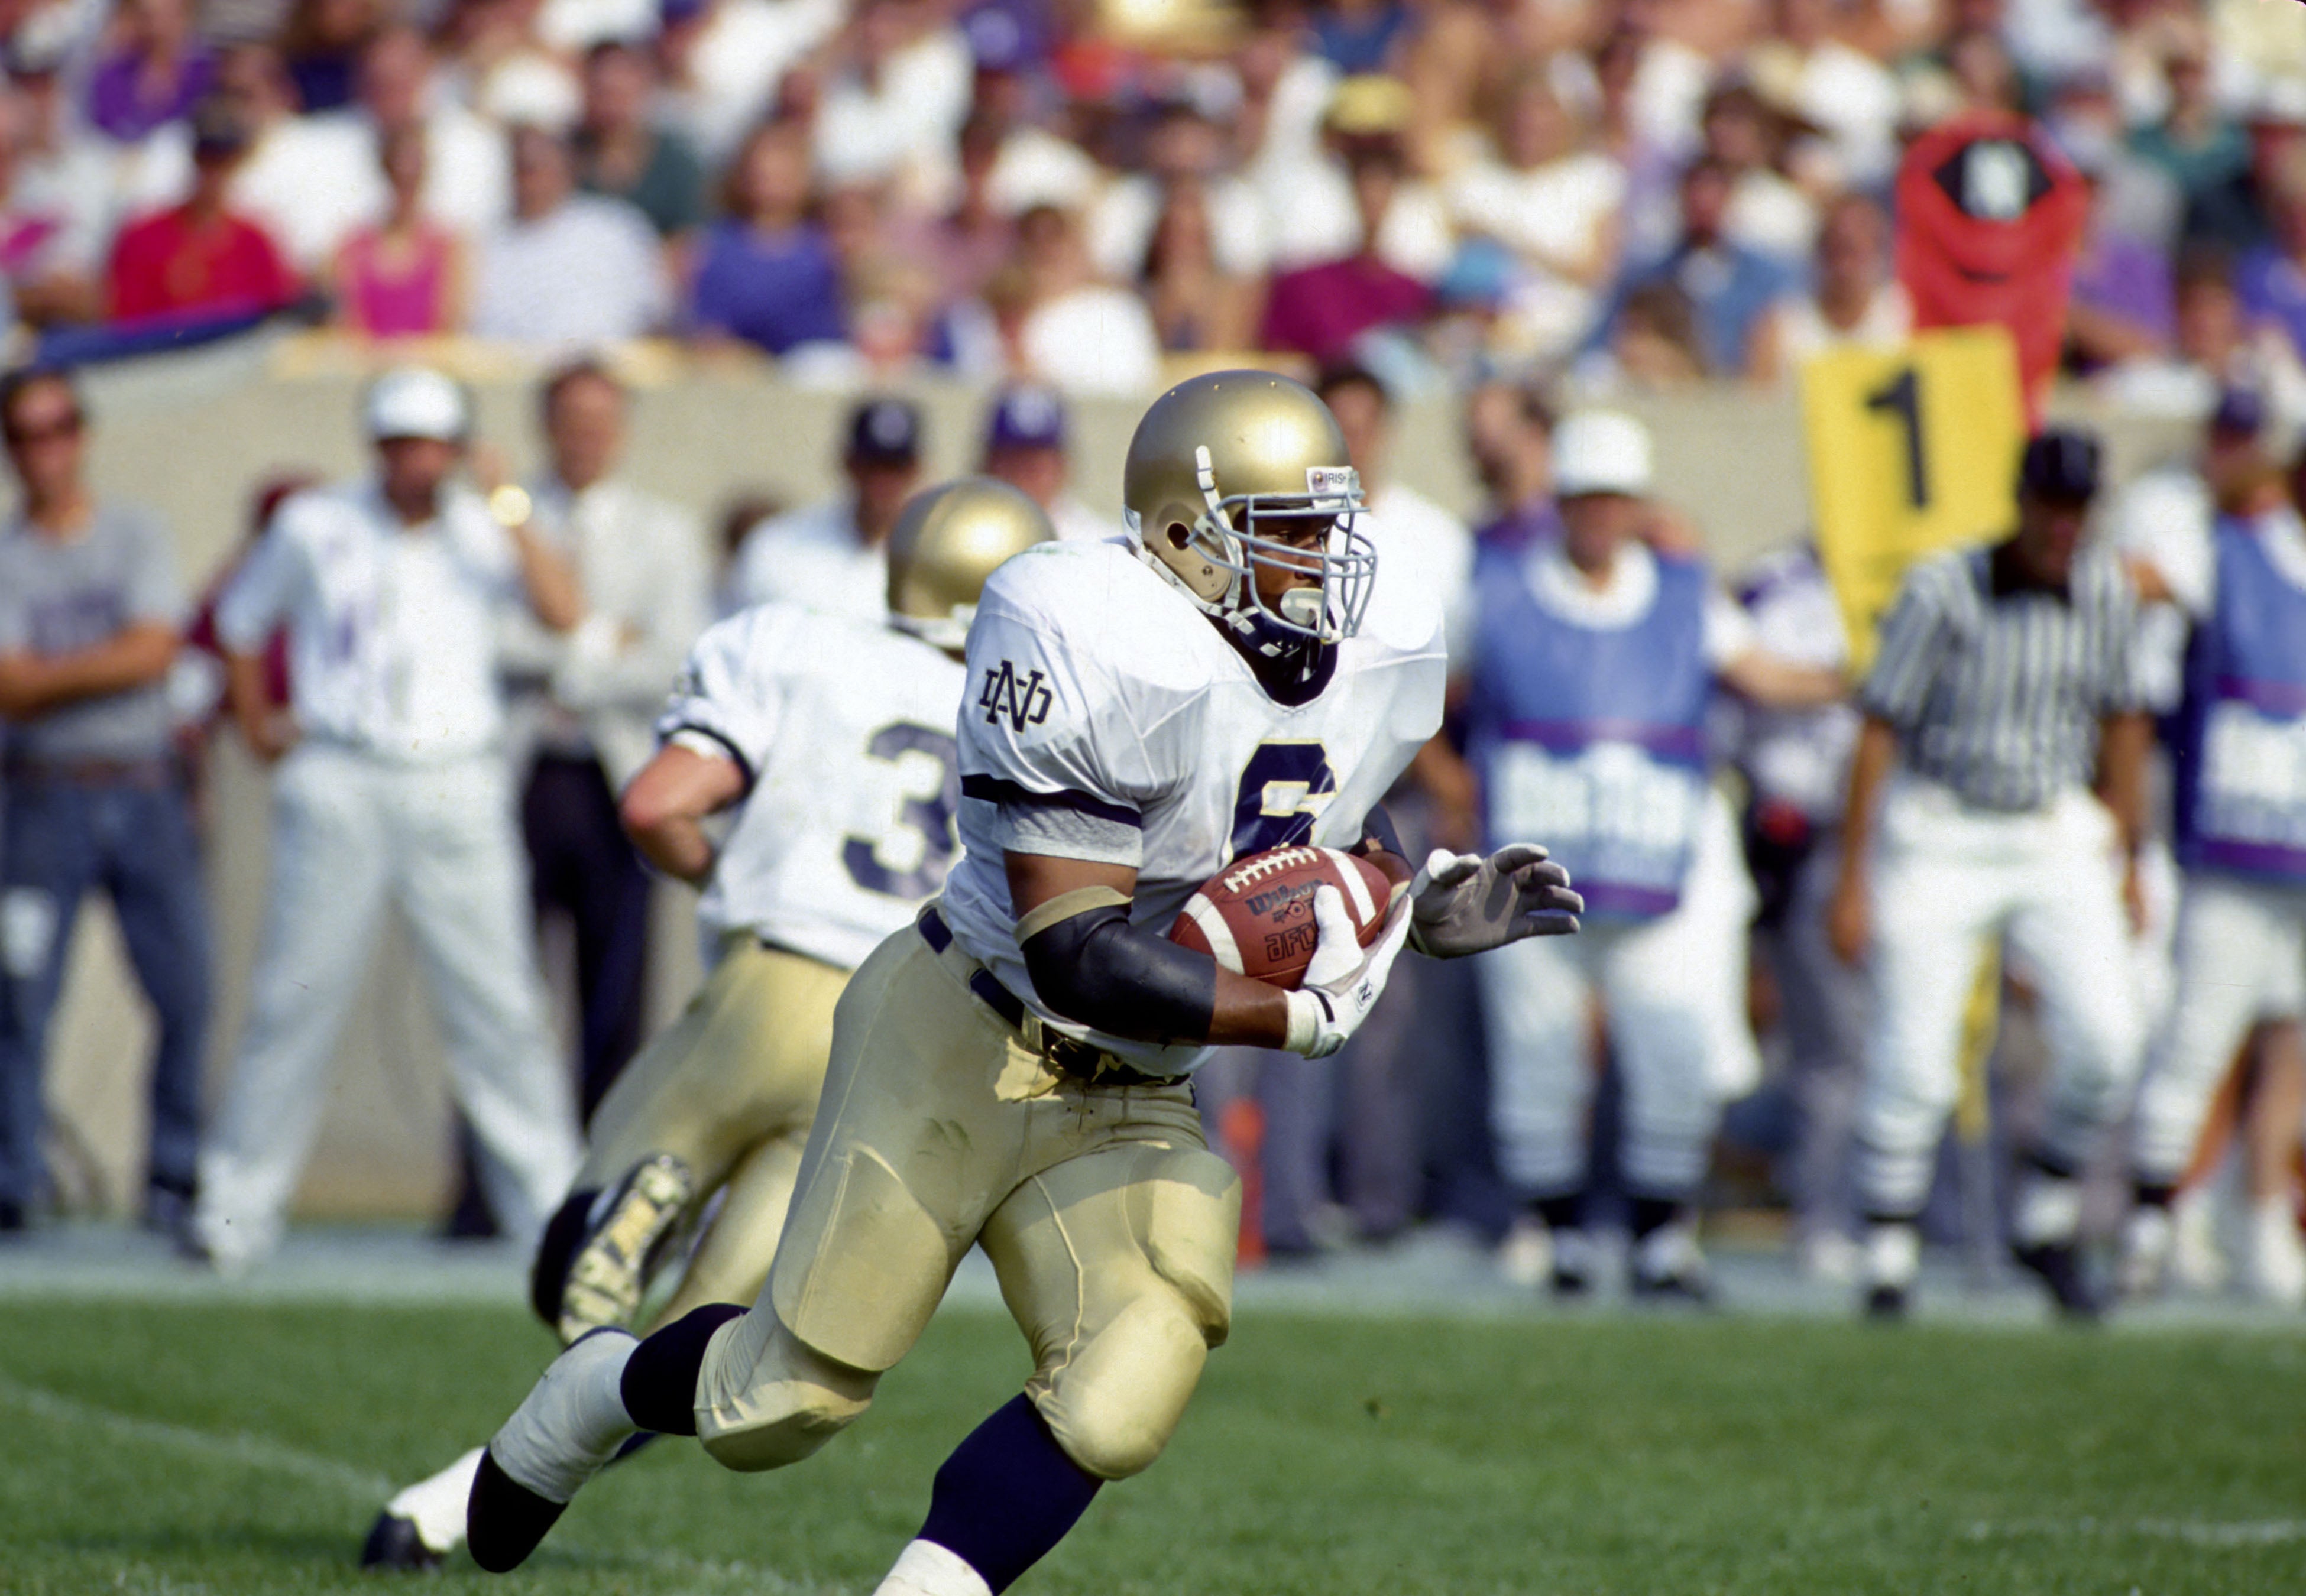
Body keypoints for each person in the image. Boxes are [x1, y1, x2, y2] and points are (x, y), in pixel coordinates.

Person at [462, 371, 1583, 1592]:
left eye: (1331, 528)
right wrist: (1295, 1016)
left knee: (1130, 1375)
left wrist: (1410, 909)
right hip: (969, 1030)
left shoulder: (1366, 643)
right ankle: (592, 1394)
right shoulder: (1085, 628)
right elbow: (1076, 949)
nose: (1327, 564)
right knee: (782, 1400)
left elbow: (1311, 843)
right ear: (1181, 540)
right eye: (1290, 535)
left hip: (1136, 1080)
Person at [360, 478, 1051, 1569]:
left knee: (576, 1268)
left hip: (769, 989)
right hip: (903, 1050)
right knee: (700, 1351)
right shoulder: (1045, 717)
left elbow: (654, 804)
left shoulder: (799, 647)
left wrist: (737, 877)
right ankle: (449, 1506)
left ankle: (462, 1482)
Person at [1436, 409, 1842, 1298]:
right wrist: (1453, 785)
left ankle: (1663, 1239)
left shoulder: (1687, 594)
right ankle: (1560, 1236)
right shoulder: (1497, 593)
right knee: (1536, 1054)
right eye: (1585, 499)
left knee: (1674, 1052)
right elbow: (1427, 695)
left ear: (1636, 505)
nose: (1599, 518)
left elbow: (1763, 675)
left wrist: (1858, 679)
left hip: (1664, 866)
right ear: (1562, 503)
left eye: (1615, 500)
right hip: (1534, 875)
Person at [189, 368, 586, 1274]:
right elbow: (241, 622)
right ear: (376, 446)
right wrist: (257, 728)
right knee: (295, 997)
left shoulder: (489, 526)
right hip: (342, 772)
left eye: (432, 444)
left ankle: (553, 1223)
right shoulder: (316, 523)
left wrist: (510, 503)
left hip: (456, 778)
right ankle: (233, 1212)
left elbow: (565, 614)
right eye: (402, 444)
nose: (416, 462)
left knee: (501, 1008)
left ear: (456, 448)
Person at [1828, 430, 2153, 1320]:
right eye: (2049, 505)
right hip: (1943, 824)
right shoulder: (1943, 585)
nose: (2061, 525)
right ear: (2020, 501)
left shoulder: (2109, 589)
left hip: (2054, 827)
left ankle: (2046, 1218)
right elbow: (1878, 724)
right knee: (1916, 1055)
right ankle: (1888, 1257)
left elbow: (2125, 721)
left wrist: (2126, 855)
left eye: (2077, 508)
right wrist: (1852, 875)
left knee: (2109, 1036)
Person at [0, 368, 208, 1236]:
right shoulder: (9, 554)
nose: (45, 450)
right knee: (20, 996)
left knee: (187, 990)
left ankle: (175, 1174)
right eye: (26, 434)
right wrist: (101, 663)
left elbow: (155, 649)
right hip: (44, 799)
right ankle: (14, 1180)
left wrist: (55, 678)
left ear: (81, 437)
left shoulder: (135, 532)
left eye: (57, 430)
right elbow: (12, 690)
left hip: (143, 788)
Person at [2121, 431, 2306, 1306]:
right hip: (2234, 854)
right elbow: (2131, 580)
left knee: (2295, 1052)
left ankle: (2260, 1220)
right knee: (2194, 1042)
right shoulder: (2229, 552)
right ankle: (2151, 1222)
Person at [501, 360, 709, 1120]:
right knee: (504, 985)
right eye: (570, 422)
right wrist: (597, 644)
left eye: (599, 423)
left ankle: (600, 1164)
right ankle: (491, 1191)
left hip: (615, 774)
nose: (585, 439)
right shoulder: (505, 519)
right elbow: (488, 641)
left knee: (616, 989)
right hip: (525, 770)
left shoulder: (663, 531)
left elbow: (671, 660)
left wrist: (566, 660)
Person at [468, 124, 669, 347]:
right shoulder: (485, 240)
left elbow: (652, 314)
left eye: (540, 167)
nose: (532, 180)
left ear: (567, 167)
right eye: (523, 168)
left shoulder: (618, 228)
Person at [726, 395, 922, 621]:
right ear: (847, 463)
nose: (881, 481)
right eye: (869, 466)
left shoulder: (935, 562)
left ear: (916, 470)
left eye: (895, 468)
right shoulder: (776, 546)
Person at [107, 104, 298, 323]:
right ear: (194, 158)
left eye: (224, 161)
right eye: (206, 158)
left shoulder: (257, 241)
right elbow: (125, 321)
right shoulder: (143, 237)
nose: (214, 172)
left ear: (238, 163)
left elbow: (280, 317)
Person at [685, 117, 846, 359]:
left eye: (783, 175)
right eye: (763, 175)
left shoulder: (828, 249)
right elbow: (708, 330)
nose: (771, 185)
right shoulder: (714, 247)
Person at [332, 123, 464, 339]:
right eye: (398, 175)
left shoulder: (450, 246)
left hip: (431, 368)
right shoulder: (352, 246)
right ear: (385, 172)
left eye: (414, 176)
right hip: (367, 368)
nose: (405, 185)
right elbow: (350, 325)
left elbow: (449, 325)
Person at [977, 384, 1121, 544]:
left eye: (1034, 466)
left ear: (1062, 466)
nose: (1021, 478)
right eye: (1011, 463)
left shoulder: (1101, 543)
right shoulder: (965, 538)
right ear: (986, 465)